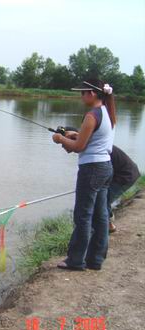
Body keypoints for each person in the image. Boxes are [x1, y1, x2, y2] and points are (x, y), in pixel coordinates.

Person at [51, 79, 115, 271]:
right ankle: (95, 260)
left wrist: (60, 138)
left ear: (92, 94)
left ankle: (75, 260)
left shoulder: (91, 115)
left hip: (92, 170)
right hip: (106, 166)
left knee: (83, 216)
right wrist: (74, 134)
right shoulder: (108, 112)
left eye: (83, 92)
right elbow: (92, 139)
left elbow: (79, 147)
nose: (81, 96)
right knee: (101, 215)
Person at [61, 128, 140, 233]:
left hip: (126, 175)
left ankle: (107, 227)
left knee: (102, 201)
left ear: (75, 138)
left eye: (65, 141)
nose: (63, 145)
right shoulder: (90, 145)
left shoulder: (92, 149)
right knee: (100, 200)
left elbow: (101, 170)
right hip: (119, 173)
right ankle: (106, 224)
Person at [108, 146, 140, 232]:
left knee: (103, 200)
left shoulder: (99, 148)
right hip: (126, 173)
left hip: (126, 175)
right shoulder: (102, 143)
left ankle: (109, 226)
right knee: (103, 199)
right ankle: (108, 223)